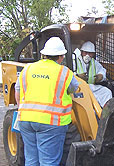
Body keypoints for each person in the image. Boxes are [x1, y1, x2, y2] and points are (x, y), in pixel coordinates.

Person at [15, 37, 79, 166]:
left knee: (31, 160)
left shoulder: (27, 69)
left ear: (43, 54)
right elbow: (74, 88)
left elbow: (18, 92)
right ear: (61, 56)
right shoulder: (64, 72)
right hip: (51, 123)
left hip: (26, 121)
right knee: (49, 162)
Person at [75, 41, 112, 107]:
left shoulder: (94, 63)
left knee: (106, 92)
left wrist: (101, 76)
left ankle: (105, 113)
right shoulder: (74, 61)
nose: (87, 55)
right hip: (78, 89)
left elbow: (102, 71)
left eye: (90, 53)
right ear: (81, 52)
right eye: (85, 52)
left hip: (91, 87)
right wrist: (77, 76)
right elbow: (67, 73)